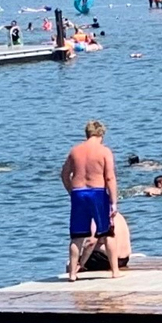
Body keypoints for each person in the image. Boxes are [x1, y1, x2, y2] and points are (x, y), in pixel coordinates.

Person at [62, 119, 119, 280]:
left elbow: (64, 174)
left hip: (79, 193)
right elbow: (109, 177)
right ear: (101, 134)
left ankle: (72, 274)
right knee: (107, 233)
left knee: (77, 235)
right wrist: (113, 202)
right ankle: (115, 271)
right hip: (98, 193)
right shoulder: (104, 151)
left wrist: (71, 191)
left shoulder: (75, 150)